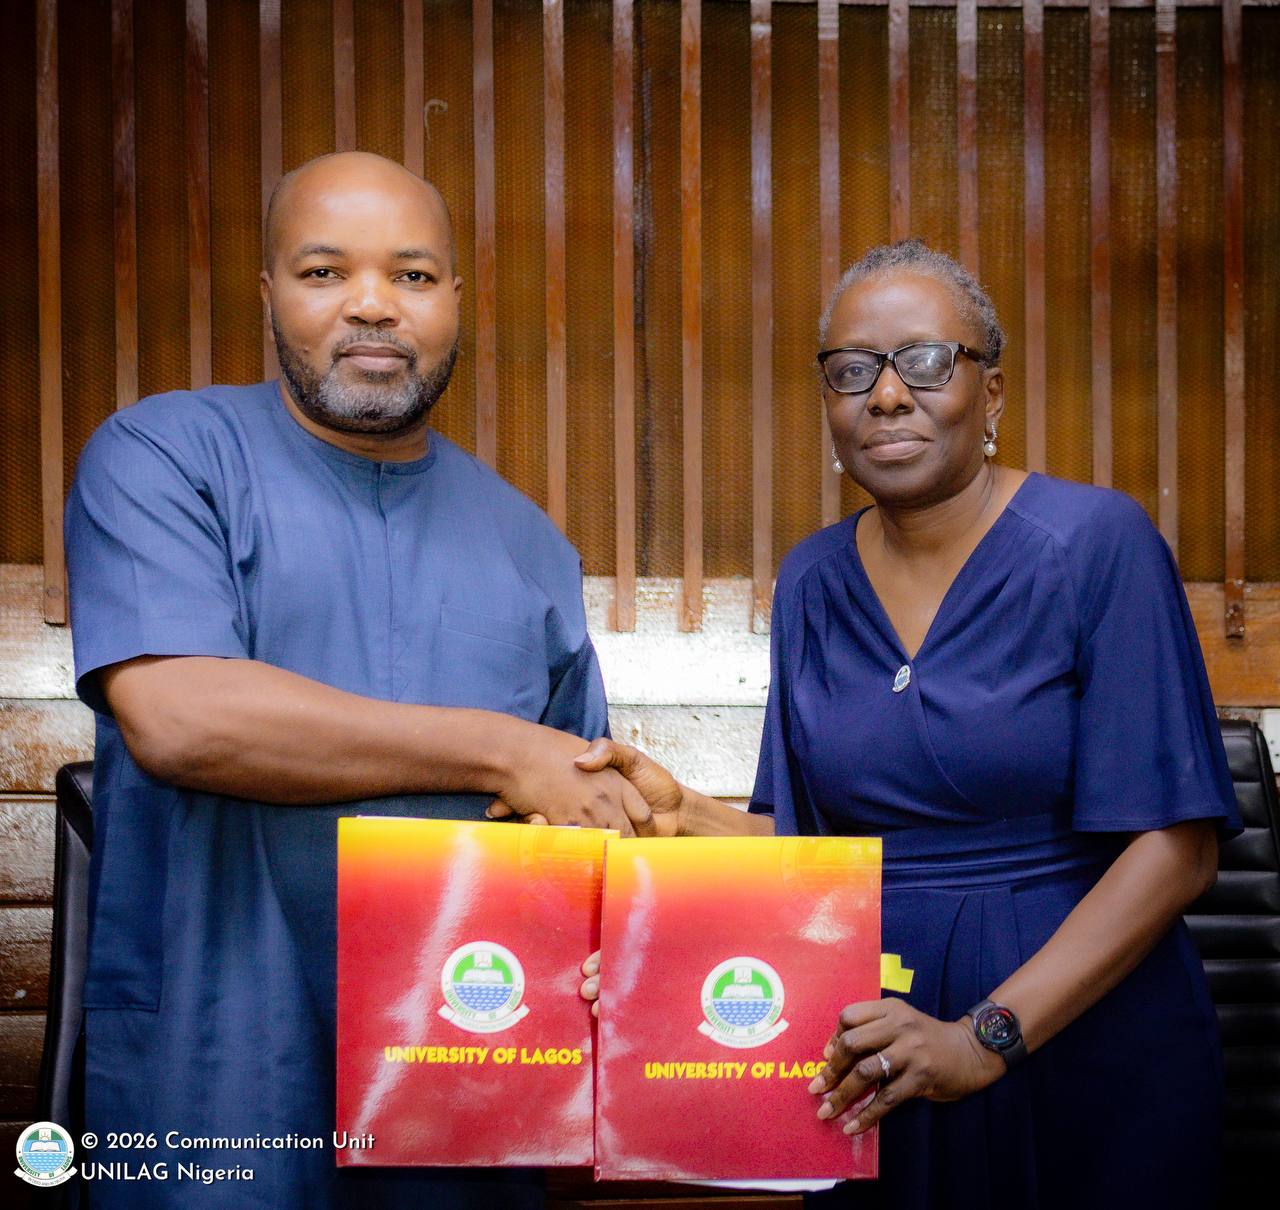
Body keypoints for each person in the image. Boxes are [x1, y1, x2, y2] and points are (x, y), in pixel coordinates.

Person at [564, 240, 1238, 1208]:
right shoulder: (811, 579)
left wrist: (982, 1039)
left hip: (1084, 1048)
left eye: (923, 362)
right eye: (851, 370)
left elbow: (1176, 849)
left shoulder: (1095, 544)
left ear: (990, 392)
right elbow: (809, 851)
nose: (884, 395)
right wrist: (685, 819)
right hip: (869, 1052)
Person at [63, 151, 653, 1209]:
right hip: (216, 1072)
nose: (374, 304)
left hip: (465, 1077)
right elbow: (180, 718)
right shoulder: (164, 455)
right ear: (269, 293)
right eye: (325, 272)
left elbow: (575, 828)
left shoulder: (528, 544)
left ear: (456, 299)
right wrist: (502, 747)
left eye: (412, 276)